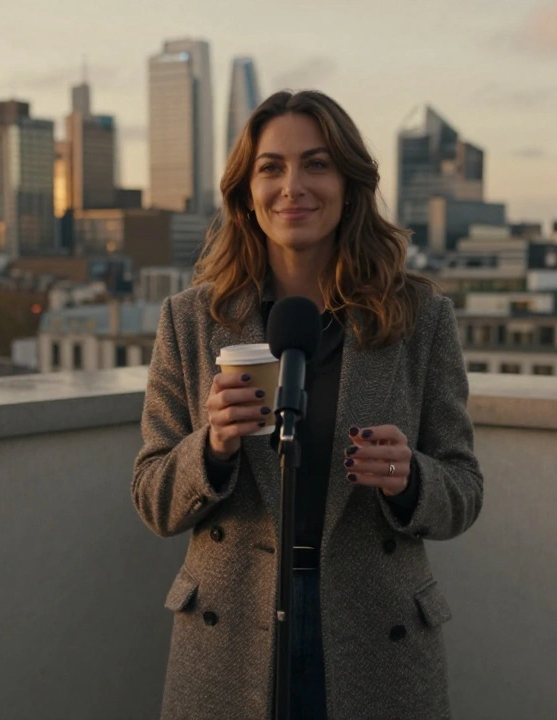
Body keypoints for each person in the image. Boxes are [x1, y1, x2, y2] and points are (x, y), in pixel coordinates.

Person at [132, 89, 484, 720]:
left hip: (376, 630)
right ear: (246, 191)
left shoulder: (420, 316)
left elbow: (463, 489)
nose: (293, 186)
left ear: (349, 184)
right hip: (229, 630)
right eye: (272, 167)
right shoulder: (189, 320)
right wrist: (210, 449)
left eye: (316, 164)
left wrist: (410, 481)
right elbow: (152, 497)